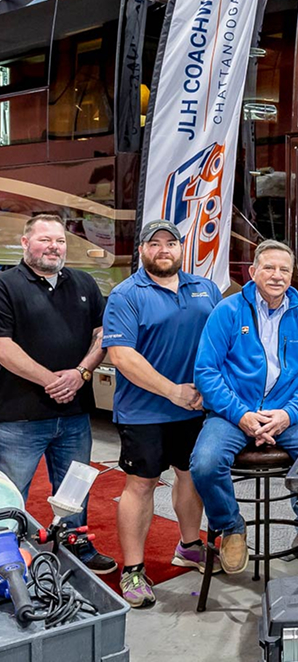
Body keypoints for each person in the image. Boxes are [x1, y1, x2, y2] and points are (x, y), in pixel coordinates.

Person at [191, 240, 298, 574]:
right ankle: (231, 526)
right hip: (233, 414)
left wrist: (287, 414)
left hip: (286, 415)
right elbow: (205, 371)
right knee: (204, 464)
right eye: (269, 268)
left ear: (293, 276)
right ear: (253, 272)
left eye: (284, 270)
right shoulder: (228, 311)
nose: (277, 276)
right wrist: (241, 415)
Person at [102, 220, 222, 608]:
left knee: (190, 476)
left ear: (182, 248)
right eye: (155, 244)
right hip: (144, 412)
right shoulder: (126, 294)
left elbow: (223, 340)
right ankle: (133, 570)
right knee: (142, 484)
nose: (164, 249)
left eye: (171, 243)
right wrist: (174, 391)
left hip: (194, 409)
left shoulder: (205, 289)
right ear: (142, 249)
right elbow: (121, 355)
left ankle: (189, 547)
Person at [0, 214, 115, 574]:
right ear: (24, 243)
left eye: (60, 241)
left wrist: (82, 373)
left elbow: (103, 334)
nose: (54, 247)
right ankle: (9, 553)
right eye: (45, 239)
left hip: (75, 414)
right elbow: (3, 346)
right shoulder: (5, 285)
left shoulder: (83, 282)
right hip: (20, 417)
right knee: (11, 492)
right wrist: (52, 380)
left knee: (74, 488)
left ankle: (72, 542)